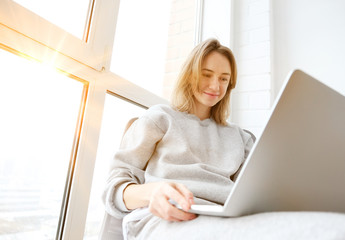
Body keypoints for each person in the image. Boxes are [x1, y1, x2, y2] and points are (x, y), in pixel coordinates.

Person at [103, 38, 254, 239]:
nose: (215, 85)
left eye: (224, 79)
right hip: (166, 217)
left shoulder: (240, 138)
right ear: (190, 75)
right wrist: (153, 192)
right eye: (206, 75)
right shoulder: (159, 118)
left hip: (227, 221)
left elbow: (253, 194)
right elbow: (113, 190)